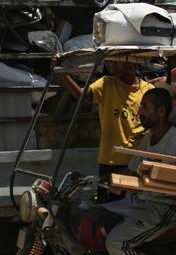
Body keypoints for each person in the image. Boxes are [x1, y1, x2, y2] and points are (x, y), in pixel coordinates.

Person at [104, 88, 176, 255]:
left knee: (116, 242)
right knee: (98, 215)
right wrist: (112, 178)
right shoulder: (149, 137)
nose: (139, 112)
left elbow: (161, 181)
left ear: (161, 111)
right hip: (140, 202)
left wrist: (126, 187)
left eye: (145, 107)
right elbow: (133, 169)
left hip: (162, 208)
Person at [63, 61, 154, 202]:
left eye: (115, 62)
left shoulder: (148, 90)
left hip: (137, 163)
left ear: (129, 64)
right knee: (107, 209)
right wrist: (63, 75)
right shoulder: (107, 83)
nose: (112, 67)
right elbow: (83, 96)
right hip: (111, 162)